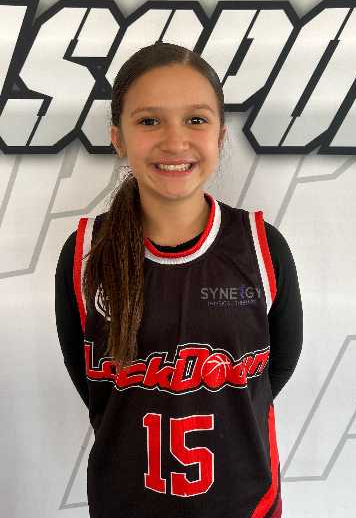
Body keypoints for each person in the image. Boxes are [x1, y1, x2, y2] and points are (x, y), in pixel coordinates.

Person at [55, 42, 302, 518]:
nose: (174, 141)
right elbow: (88, 382)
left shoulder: (261, 246)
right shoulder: (85, 253)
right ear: (118, 138)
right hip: (126, 504)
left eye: (195, 119)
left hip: (246, 504)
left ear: (220, 135)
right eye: (149, 121)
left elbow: (280, 366)